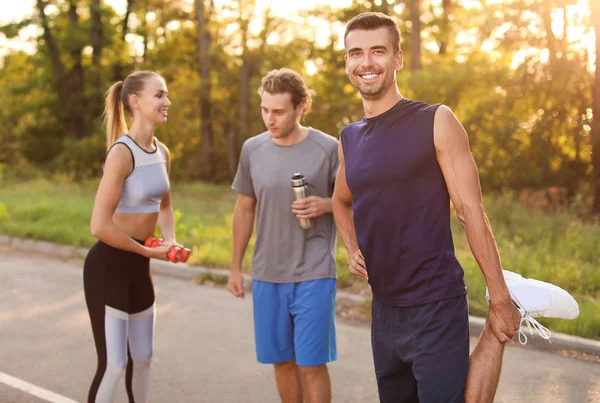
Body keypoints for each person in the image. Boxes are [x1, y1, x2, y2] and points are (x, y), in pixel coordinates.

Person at [332, 12, 579, 403]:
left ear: (397, 58)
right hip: (384, 308)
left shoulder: (435, 120)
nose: (366, 62)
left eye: (377, 51)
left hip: (435, 299)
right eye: (355, 53)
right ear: (346, 61)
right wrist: (351, 247)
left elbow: (470, 211)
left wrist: (497, 296)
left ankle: (510, 301)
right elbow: (340, 201)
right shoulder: (349, 137)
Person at [227, 68, 339, 403]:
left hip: (314, 272)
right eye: (265, 110)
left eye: (278, 112)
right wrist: (236, 267)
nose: (269, 120)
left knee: (311, 364)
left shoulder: (329, 148)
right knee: (282, 362)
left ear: (300, 107)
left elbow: (355, 202)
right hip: (267, 274)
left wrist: (327, 204)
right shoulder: (253, 149)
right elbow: (245, 209)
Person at [84, 70, 180, 403]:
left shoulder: (162, 152)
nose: (167, 101)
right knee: (114, 364)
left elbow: (165, 205)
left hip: (141, 266)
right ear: (135, 102)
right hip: (108, 266)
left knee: (143, 359)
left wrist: (170, 240)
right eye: (159, 95)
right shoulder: (121, 154)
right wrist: (146, 252)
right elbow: (99, 226)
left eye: (166, 94)